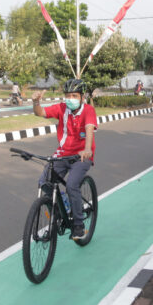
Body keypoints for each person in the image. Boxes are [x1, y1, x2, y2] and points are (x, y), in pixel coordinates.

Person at [31, 78, 97, 240]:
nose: (71, 99)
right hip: (62, 154)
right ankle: (64, 205)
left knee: (72, 185)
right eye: (68, 95)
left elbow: (89, 129)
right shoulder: (61, 109)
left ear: (82, 97)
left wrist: (87, 149)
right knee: (44, 182)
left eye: (74, 96)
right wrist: (36, 102)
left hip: (82, 156)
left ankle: (79, 225)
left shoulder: (88, 110)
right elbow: (41, 113)